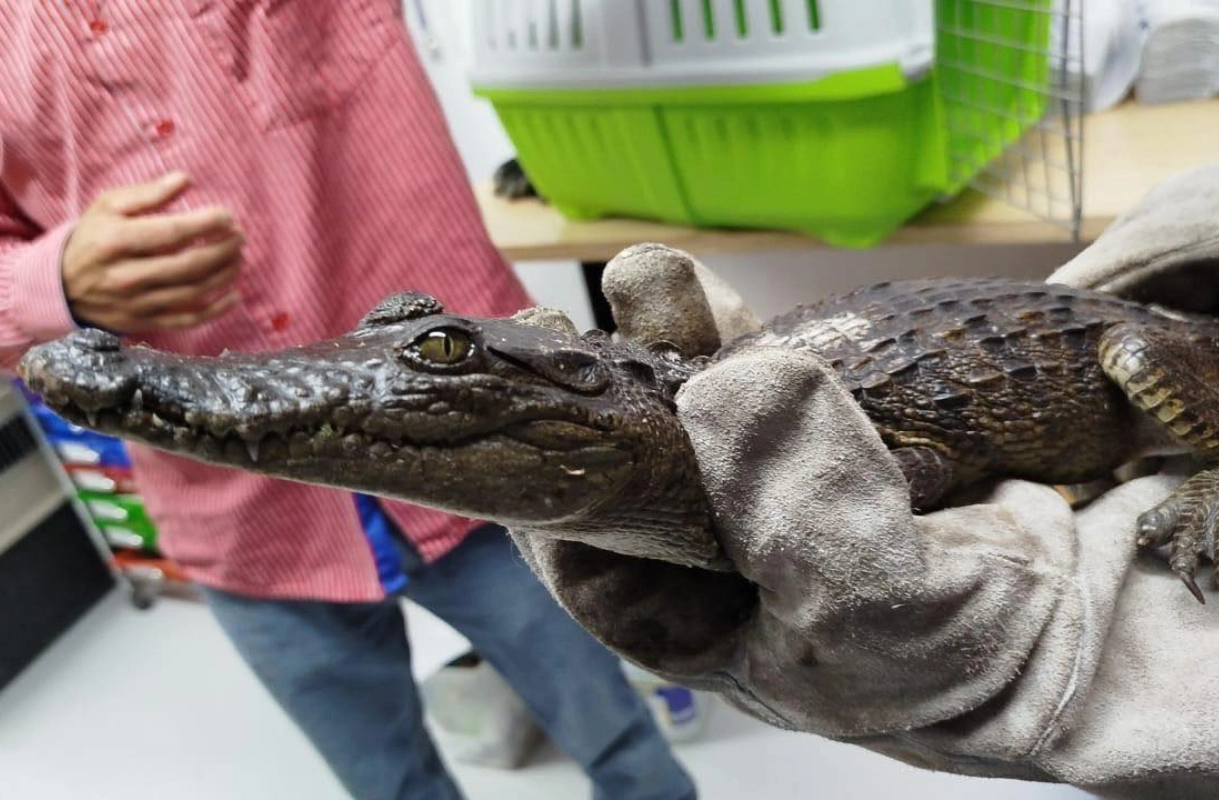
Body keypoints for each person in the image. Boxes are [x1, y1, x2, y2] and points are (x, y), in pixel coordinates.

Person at [0, 5, 697, 799]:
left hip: (492, 453)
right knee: (388, 785)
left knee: (620, 742)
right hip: (240, 514)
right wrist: (45, 283)